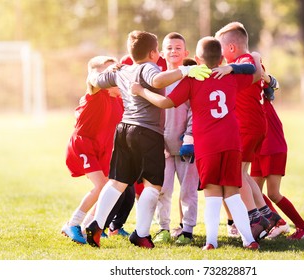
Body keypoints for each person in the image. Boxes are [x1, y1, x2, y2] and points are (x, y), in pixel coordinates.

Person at [131, 36, 262, 250]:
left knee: (212, 193)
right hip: (231, 141)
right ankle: (249, 240)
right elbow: (255, 72)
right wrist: (237, 65)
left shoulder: (192, 80)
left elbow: (165, 102)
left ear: (197, 59)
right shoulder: (230, 77)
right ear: (221, 58)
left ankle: (211, 241)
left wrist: (141, 91)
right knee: (232, 193)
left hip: (207, 145)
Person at [85, 30, 212, 248]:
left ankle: (96, 224)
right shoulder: (148, 68)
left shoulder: (122, 70)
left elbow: (93, 81)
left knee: (117, 181)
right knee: (153, 185)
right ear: (154, 53)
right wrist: (187, 69)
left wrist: (98, 78)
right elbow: (158, 79)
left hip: (124, 129)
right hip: (147, 133)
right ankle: (141, 234)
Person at [215, 22, 281, 242]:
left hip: (247, 126)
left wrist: (232, 66)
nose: (219, 54)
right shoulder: (245, 60)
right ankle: (265, 214)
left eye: (221, 48)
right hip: (253, 125)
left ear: (232, 48)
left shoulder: (245, 61)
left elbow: (252, 68)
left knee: (236, 175)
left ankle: (255, 219)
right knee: (243, 172)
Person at [62, 55, 123, 244]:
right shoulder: (97, 92)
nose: (116, 78)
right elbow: (93, 79)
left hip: (103, 148)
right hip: (84, 144)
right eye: (111, 74)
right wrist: (103, 74)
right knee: (102, 186)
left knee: (111, 188)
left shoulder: (119, 100)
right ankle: (73, 223)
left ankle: (90, 224)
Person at [251, 73, 304, 240]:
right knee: (252, 189)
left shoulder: (258, 86)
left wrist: (266, 78)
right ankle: (278, 223)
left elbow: (272, 81)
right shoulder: (245, 92)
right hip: (257, 147)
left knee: (273, 193)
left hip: (271, 146)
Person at [152, 32, 200, 246]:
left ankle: (187, 230)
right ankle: (162, 227)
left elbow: (195, 112)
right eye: (169, 48)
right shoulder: (158, 80)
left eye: (178, 48)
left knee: (188, 190)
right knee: (162, 188)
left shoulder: (191, 80)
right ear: (162, 53)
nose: (173, 51)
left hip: (185, 146)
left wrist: (189, 137)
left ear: (186, 53)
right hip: (161, 146)